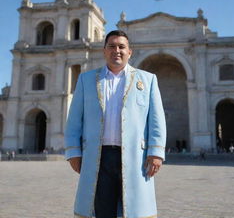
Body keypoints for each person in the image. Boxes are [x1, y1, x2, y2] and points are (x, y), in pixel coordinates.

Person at [65, 30, 166, 218]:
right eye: (111, 46)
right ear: (104, 51)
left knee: (134, 210)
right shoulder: (86, 80)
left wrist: (156, 152)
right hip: (98, 157)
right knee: (103, 210)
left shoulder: (148, 79)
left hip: (136, 157)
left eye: (121, 46)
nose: (116, 50)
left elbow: (156, 119)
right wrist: (73, 152)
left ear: (130, 52)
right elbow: (74, 120)